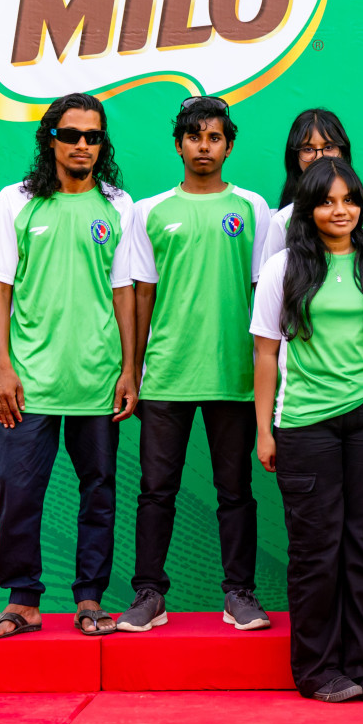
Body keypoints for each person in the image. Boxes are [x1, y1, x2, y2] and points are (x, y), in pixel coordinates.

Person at [0, 93, 137, 639]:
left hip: (97, 379)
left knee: (99, 492)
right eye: (73, 135)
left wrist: (129, 370)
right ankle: (22, 601)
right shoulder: (14, 202)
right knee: (16, 488)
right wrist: (3, 368)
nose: (84, 146)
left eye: (94, 137)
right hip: (30, 382)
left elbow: (124, 294)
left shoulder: (119, 205)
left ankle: (90, 598)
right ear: (50, 139)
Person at [115, 96, 271, 633]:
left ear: (228, 144)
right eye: (194, 137)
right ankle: (149, 594)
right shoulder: (149, 211)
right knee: (156, 490)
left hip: (234, 375)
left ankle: (239, 594)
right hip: (166, 375)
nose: (204, 147)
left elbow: (263, 292)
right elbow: (140, 296)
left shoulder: (253, 207)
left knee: (236, 493)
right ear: (178, 144)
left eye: (214, 138)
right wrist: (130, 370)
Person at [250, 158, 363, 703]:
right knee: (317, 550)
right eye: (327, 201)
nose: (340, 211)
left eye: (349, 200)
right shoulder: (283, 268)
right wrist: (265, 431)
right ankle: (317, 671)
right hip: (304, 424)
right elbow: (265, 354)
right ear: (308, 208)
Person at [261, 108, 356, 261]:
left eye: (329, 147)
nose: (319, 157)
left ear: (343, 152)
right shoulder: (282, 221)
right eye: (308, 149)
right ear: (294, 157)